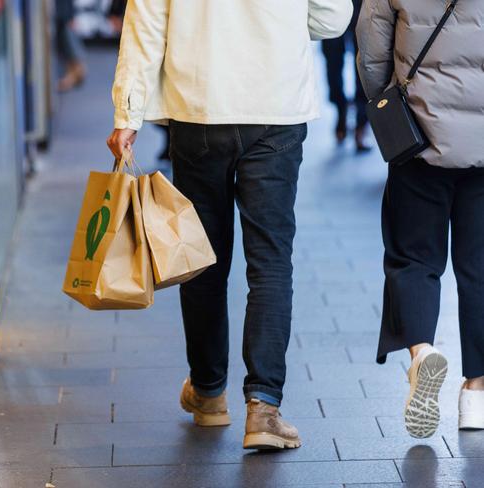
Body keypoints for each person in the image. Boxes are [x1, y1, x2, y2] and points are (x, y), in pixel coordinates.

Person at [107, 0, 352, 450]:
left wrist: (128, 113)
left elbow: (146, 21)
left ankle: (207, 393)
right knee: (271, 262)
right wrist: (279, 29)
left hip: (198, 106)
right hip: (275, 108)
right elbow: (335, 17)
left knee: (200, 258)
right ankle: (263, 407)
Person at [357, 0, 484, 438]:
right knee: (480, 269)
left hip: (418, 140)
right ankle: (476, 396)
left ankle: (420, 354)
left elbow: (372, 51)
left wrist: (388, 107)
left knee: (413, 259)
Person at [321, 0, 371, 151]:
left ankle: (361, 123)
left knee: (363, 62)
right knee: (333, 63)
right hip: (331, 6)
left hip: (362, 5)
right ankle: (340, 110)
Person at [55, 0, 87, 92]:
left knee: (69, 44)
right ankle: (71, 77)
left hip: (63, 18)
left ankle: (70, 78)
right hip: (63, 17)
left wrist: (69, 16)